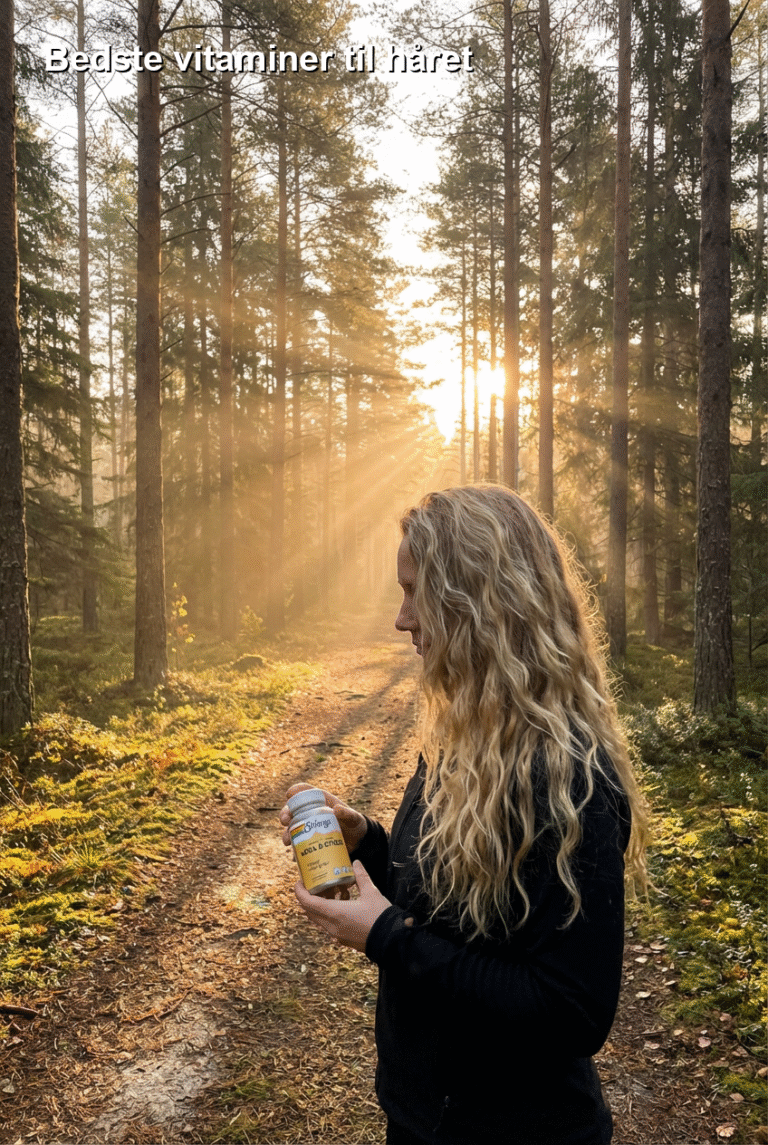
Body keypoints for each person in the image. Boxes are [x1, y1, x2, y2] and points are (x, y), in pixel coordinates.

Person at [280, 485, 647, 1145]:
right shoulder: (465, 739)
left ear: (478, 601)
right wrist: (366, 843)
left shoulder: (570, 776)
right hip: (423, 1117)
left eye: (415, 591)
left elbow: (571, 1009)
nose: (402, 618)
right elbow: (454, 913)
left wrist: (386, 935)